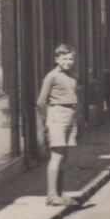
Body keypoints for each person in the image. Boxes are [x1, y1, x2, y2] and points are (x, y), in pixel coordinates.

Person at [37, 43, 81, 207]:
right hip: (57, 115)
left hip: (70, 115)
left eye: (70, 58)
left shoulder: (73, 76)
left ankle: (60, 193)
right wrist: (45, 121)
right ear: (57, 59)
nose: (68, 61)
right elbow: (41, 101)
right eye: (64, 59)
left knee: (64, 156)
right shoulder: (52, 76)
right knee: (56, 156)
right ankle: (51, 195)